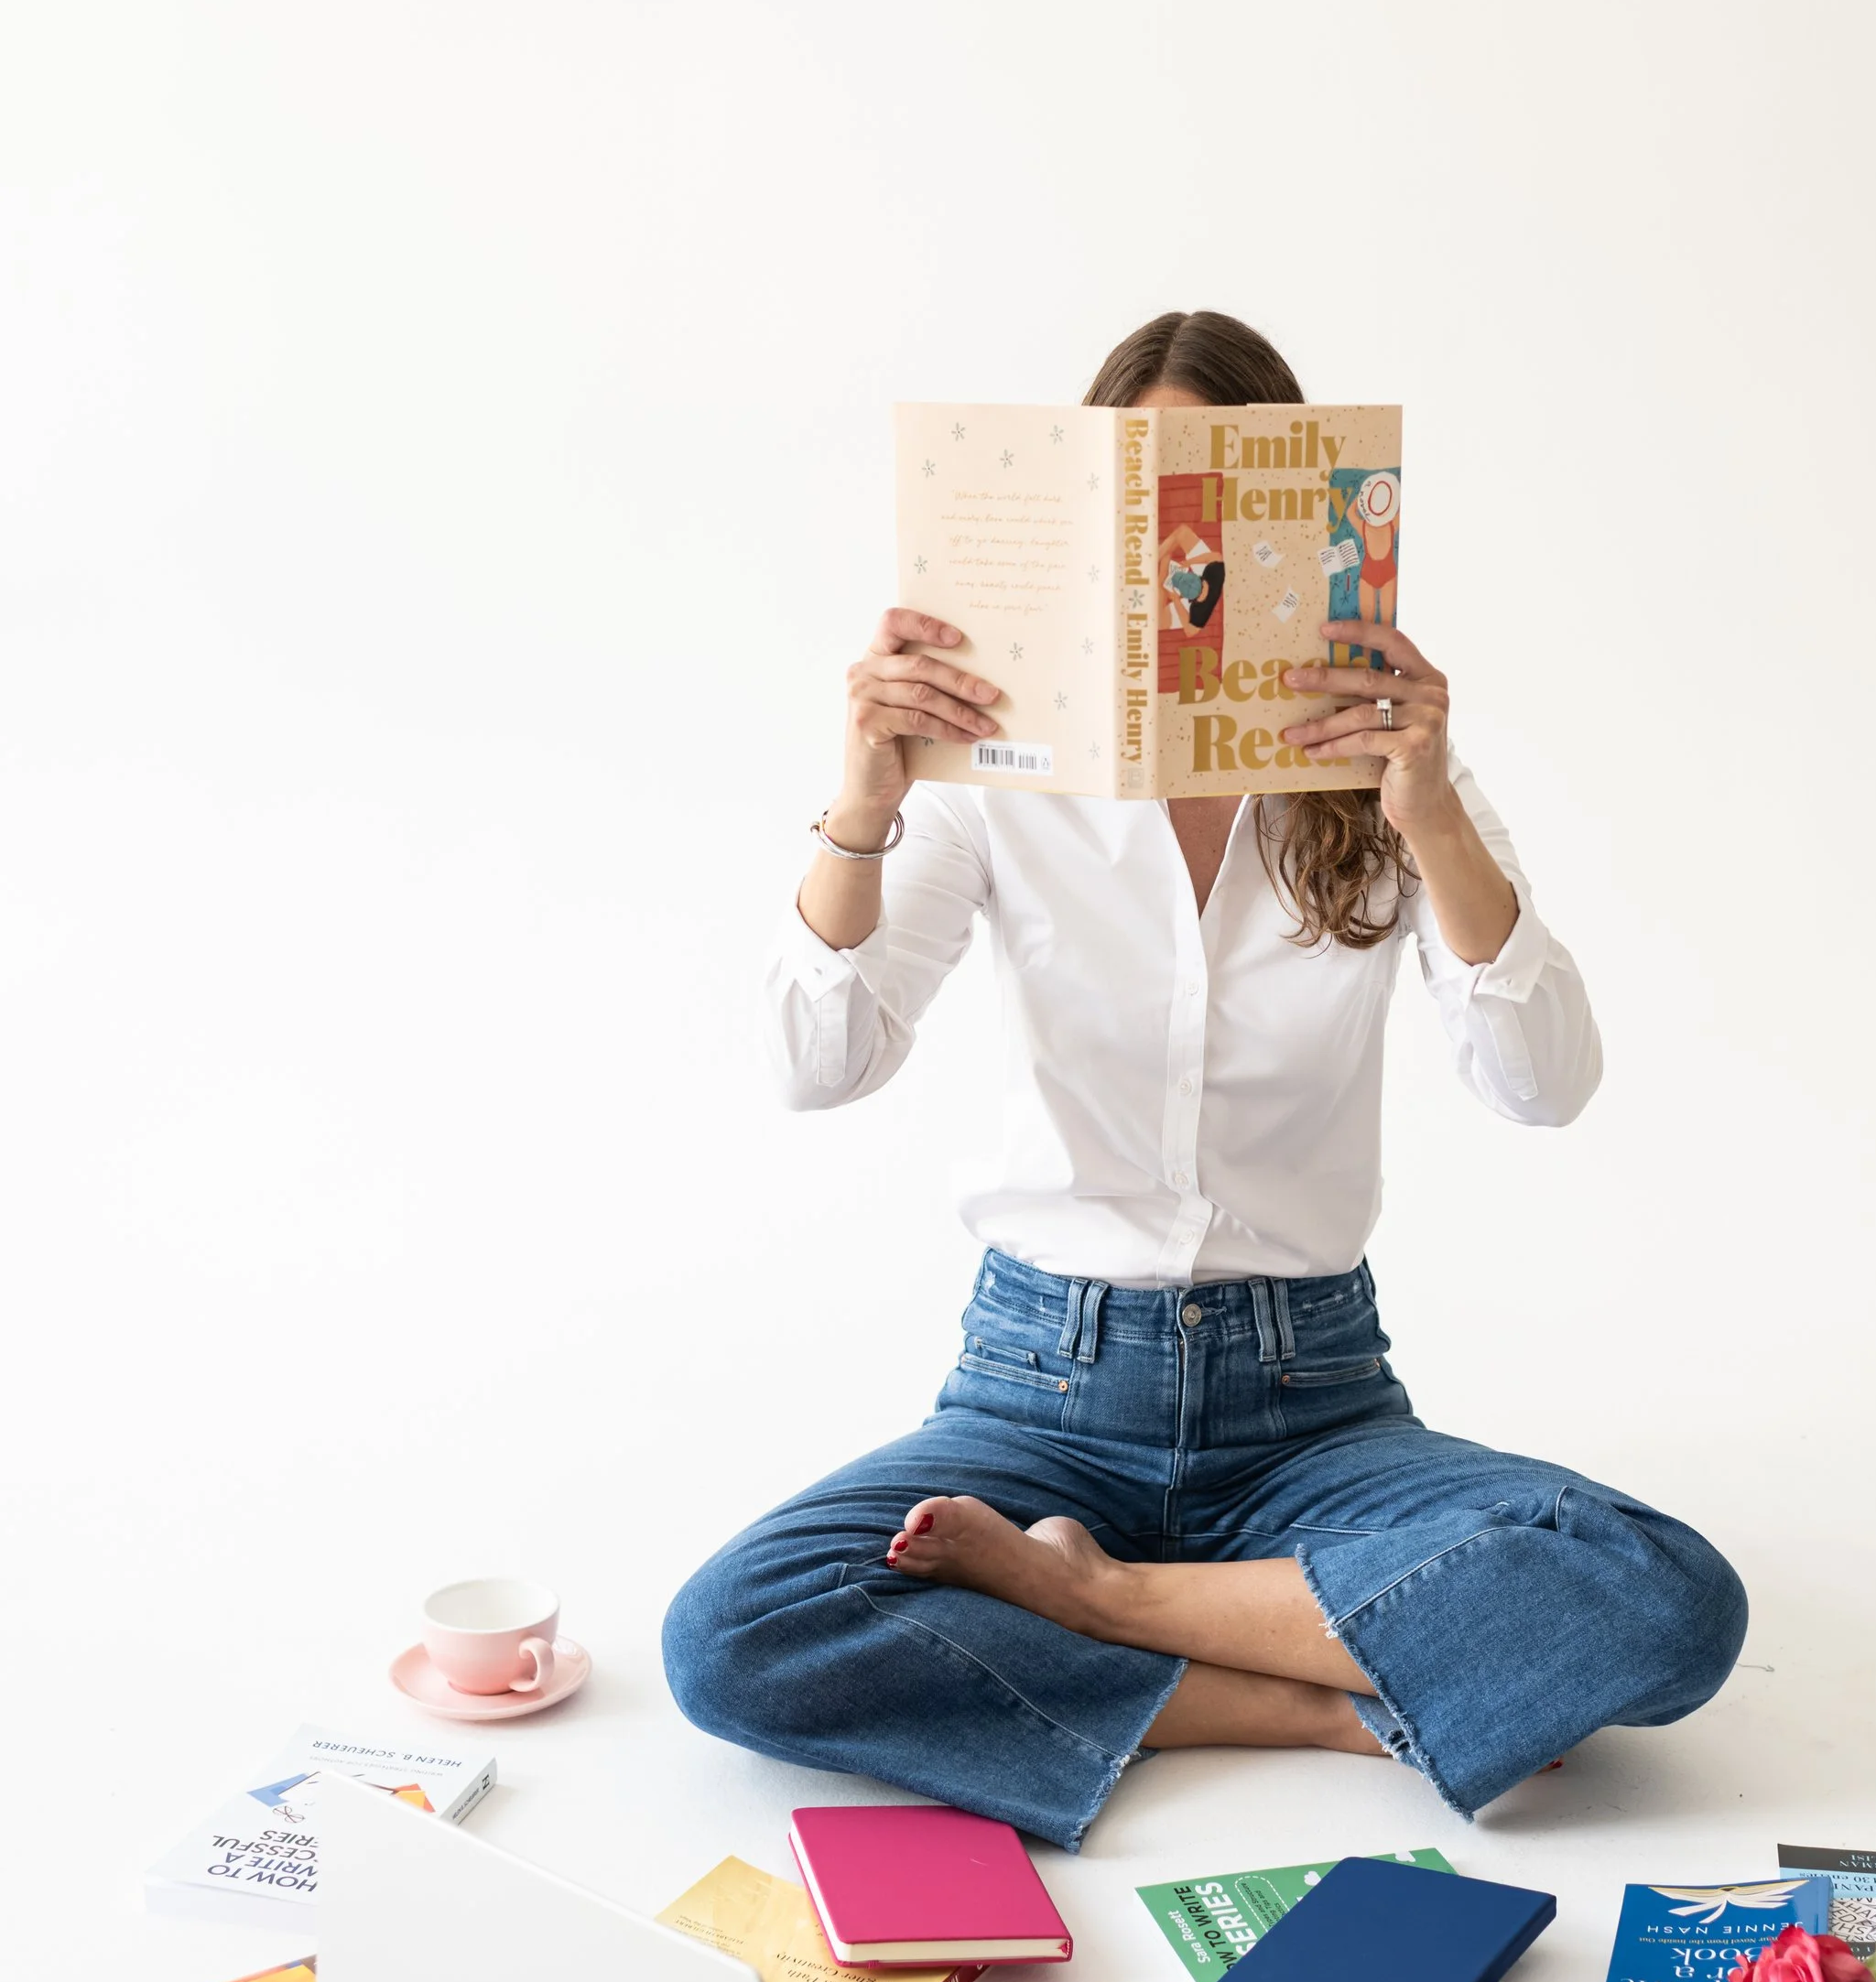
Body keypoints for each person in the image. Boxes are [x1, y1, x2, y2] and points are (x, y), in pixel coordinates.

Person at [662, 311, 1747, 1851]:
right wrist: (863, 800)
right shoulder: (994, 780)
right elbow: (811, 1062)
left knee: (1668, 1594)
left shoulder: (1385, 779)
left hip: (1312, 1405)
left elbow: (1545, 1083)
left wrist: (1428, 814)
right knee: (732, 1633)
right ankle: (1310, 1694)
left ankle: (1105, 1602)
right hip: (1037, 1391)